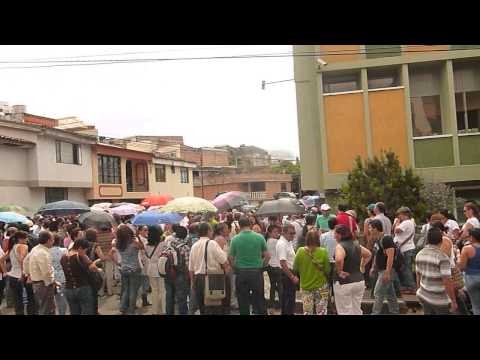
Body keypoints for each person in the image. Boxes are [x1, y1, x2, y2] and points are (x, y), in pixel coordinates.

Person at [228, 216, 269, 315]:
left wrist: (235, 268)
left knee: (243, 300)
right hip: (256, 272)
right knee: (259, 299)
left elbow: (230, 258)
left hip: (241, 273)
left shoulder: (235, 239)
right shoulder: (259, 237)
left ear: (239, 225)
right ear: (250, 224)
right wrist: (262, 266)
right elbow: (267, 256)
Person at [189, 223, 230, 315]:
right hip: (213, 278)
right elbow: (224, 261)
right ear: (208, 231)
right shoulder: (212, 243)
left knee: (202, 307)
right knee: (215, 307)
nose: (212, 232)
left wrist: (193, 283)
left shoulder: (194, 246)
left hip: (198, 278)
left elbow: (191, 268)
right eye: (211, 230)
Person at [415, 227, 457, 315]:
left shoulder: (419, 254)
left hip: (424, 295)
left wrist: (419, 290)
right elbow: (447, 281)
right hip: (439, 299)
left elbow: (418, 275)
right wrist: (453, 300)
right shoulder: (442, 257)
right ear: (441, 241)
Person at [333, 225, 372, 315]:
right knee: (356, 309)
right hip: (359, 281)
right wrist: (362, 266)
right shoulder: (356, 244)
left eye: (335, 233)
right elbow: (368, 254)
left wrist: (339, 271)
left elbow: (339, 259)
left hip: (344, 282)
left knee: (345, 311)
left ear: (339, 235)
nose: (334, 236)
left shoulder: (340, 246)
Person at [60, 238, 101, 315]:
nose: (85, 252)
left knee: (74, 311)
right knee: (87, 311)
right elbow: (94, 268)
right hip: (83, 287)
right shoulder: (81, 256)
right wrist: (90, 260)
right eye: (85, 250)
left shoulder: (63, 257)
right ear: (80, 248)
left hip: (69, 289)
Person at [294, 230, 330, 315]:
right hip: (321, 286)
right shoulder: (323, 251)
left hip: (306, 286)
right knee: (321, 311)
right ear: (318, 239)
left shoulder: (300, 251)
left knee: (307, 311)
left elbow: (295, 268)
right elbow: (327, 270)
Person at [369, 219, 399, 315]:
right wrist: (374, 267)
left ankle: (375, 313)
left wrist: (387, 272)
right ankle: (395, 311)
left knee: (378, 292)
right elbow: (377, 254)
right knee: (390, 293)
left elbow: (391, 256)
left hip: (387, 270)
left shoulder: (386, 239)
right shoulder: (378, 239)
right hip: (382, 269)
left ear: (375, 228)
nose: (369, 229)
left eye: (370, 227)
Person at [23, 230, 56, 315]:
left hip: (37, 283)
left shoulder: (35, 248)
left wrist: (28, 274)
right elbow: (46, 272)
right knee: (46, 309)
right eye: (52, 239)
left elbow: (26, 261)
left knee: (43, 307)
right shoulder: (43, 252)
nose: (53, 242)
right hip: (44, 284)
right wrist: (51, 282)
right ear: (48, 240)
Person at [115, 226, 144, 315]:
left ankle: (122, 307)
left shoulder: (119, 244)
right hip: (134, 269)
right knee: (133, 291)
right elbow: (142, 247)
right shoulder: (133, 243)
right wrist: (138, 236)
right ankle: (131, 309)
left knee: (125, 289)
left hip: (124, 269)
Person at [6, 231, 36, 315]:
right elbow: (22, 259)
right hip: (23, 276)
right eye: (26, 238)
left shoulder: (12, 248)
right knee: (31, 298)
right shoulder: (23, 246)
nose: (27, 240)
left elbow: (2, 260)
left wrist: (5, 272)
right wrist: (23, 273)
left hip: (12, 275)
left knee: (17, 300)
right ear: (20, 239)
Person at [164, 225, 190, 315]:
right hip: (180, 275)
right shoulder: (185, 247)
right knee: (181, 297)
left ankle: (169, 312)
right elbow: (187, 264)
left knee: (169, 296)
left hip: (168, 273)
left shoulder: (169, 244)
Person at [392, 207, 416, 294]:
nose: (398, 217)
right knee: (405, 268)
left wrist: (396, 223)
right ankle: (407, 286)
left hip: (406, 249)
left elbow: (396, 230)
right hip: (407, 248)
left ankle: (411, 287)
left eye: (399, 215)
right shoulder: (410, 222)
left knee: (406, 269)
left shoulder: (406, 222)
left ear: (404, 214)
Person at [144, 225, 167, 315]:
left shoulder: (146, 245)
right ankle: (164, 310)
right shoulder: (163, 244)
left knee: (154, 290)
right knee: (163, 290)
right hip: (161, 268)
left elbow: (147, 256)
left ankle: (155, 310)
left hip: (151, 268)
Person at [276, 223, 298, 315]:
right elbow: (283, 263)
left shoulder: (288, 242)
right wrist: (292, 277)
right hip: (286, 274)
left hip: (289, 272)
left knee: (289, 299)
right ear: (284, 233)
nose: (293, 235)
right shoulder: (282, 244)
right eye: (291, 233)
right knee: (288, 299)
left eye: (294, 233)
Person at [458, 228, 480, 315]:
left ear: (472, 237)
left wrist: (458, 258)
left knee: (476, 305)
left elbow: (462, 267)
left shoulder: (467, 249)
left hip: (471, 278)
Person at [85, 228, 107, 315]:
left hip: (84, 269)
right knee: (94, 292)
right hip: (94, 269)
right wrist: (96, 261)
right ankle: (94, 311)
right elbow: (102, 258)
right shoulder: (95, 245)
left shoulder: (83, 244)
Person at [213, 222, 232, 313]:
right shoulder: (220, 239)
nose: (228, 230)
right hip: (222, 271)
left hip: (221, 270)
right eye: (226, 228)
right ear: (221, 230)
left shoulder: (220, 238)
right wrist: (226, 268)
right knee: (225, 294)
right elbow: (221, 256)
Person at [49, 234, 68, 315]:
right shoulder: (64, 250)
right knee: (62, 297)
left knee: (53, 298)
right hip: (62, 275)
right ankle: (62, 313)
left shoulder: (46, 251)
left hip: (51, 276)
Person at [265, 224, 282, 311]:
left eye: (277, 231)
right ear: (269, 233)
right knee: (280, 285)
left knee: (272, 285)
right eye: (275, 232)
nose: (277, 233)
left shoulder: (268, 241)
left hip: (270, 266)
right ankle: (281, 303)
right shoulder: (274, 241)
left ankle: (271, 303)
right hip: (276, 266)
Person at [96, 225, 115, 297]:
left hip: (100, 257)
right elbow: (114, 246)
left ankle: (101, 291)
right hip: (109, 256)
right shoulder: (112, 235)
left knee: (101, 275)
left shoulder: (97, 236)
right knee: (109, 274)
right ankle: (110, 291)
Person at [137, 225, 152, 307]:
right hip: (143, 264)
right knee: (144, 283)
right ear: (139, 231)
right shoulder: (140, 240)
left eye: (147, 230)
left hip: (144, 263)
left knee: (144, 283)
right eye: (144, 230)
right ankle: (143, 300)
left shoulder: (143, 239)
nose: (146, 231)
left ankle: (144, 300)